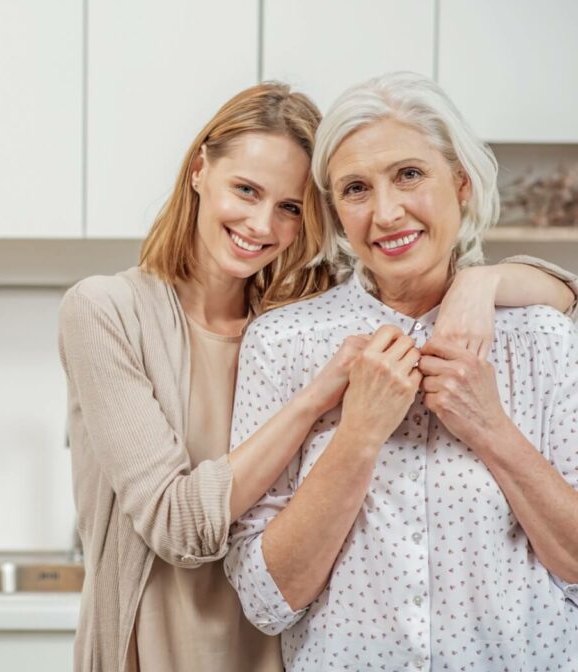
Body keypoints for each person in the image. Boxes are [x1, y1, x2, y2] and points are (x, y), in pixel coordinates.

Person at [59, 81, 576, 672]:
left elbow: (545, 291)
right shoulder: (267, 334)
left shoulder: (295, 304)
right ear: (199, 169)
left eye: (288, 207)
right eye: (246, 190)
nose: (261, 224)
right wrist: (339, 413)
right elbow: (185, 530)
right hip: (163, 645)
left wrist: (482, 282)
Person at [226, 71, 578, 671]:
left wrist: (491, 428)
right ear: (336, 213)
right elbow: (266, 599)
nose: (386, 212)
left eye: (409, 175)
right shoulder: (284, 341)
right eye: (356, 189)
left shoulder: (540, 336)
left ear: (461, 184)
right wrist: (358, 434)